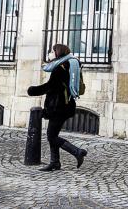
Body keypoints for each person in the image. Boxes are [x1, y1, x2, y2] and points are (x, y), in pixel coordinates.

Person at [27, 44, 87, 172]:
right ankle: (55, 162)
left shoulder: (60, 67)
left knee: (51, 136)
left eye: (52, 51)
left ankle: (77, 152)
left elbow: (50, 86)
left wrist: (32, 90)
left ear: (57, 52)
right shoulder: (70, 64)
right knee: (53, 134)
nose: (50, 53)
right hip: (66, 105)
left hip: (58, 108)